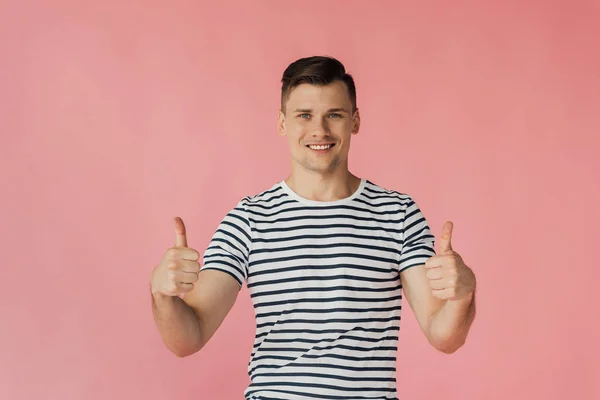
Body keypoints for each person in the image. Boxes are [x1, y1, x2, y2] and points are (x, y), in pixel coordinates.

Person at [150, 56, 477, 400]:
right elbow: (188, 338)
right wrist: (162, 295)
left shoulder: (398, 213)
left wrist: (462, 296)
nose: (319, 130)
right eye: (304, 115)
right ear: (282, 123)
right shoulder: (249, 218)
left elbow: (444, 337)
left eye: (333, 115)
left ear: (355, 121)